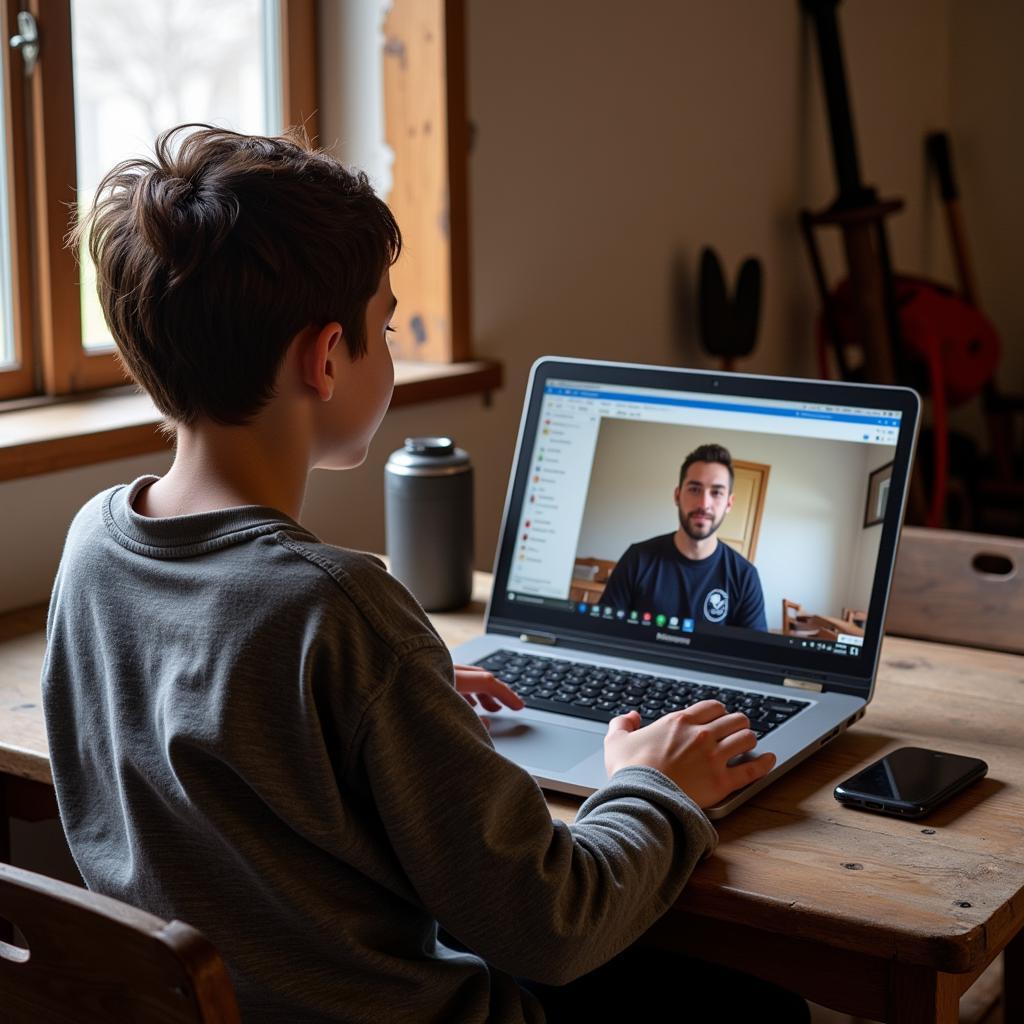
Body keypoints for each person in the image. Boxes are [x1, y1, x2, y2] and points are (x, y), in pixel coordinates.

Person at [42, 125, 805, 1022]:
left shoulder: (95, 542)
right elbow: (552, 923)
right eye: (388, 326)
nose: (392, 351)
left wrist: (401, 697)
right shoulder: (339, 612)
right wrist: (653, 782)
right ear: (326, 358)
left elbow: (226, 715)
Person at [600, 444, 768, 631]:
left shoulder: (745, 577)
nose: (704, 504)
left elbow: (751, 656)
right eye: (695, 489)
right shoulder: (637, 559)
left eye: (716, 492)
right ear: (677, 496)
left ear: (729, 503)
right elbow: (603, 631)